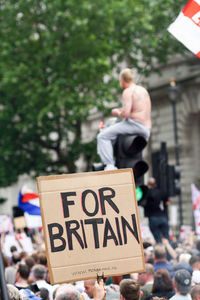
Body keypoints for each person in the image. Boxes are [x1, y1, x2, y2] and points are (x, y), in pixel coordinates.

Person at [97, 68, 151, 171]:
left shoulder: (128, 91)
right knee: (114, 131)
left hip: (134, 125)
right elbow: (138, 110)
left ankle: (110, 166)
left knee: (102, 136)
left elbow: (125, 114)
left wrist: (116, 112)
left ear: (122, 79)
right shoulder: (143, 90)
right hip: (146, 129)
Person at [144, 177, 170, 244]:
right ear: (155, 184)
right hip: (163, 217)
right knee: (167, 238)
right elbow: (167, 202)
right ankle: (169, 253)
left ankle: (161, 253)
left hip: (153, 218)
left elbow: (140, 202)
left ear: (147, 184)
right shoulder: (161, 192)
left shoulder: (146, 193)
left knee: (158, 240)